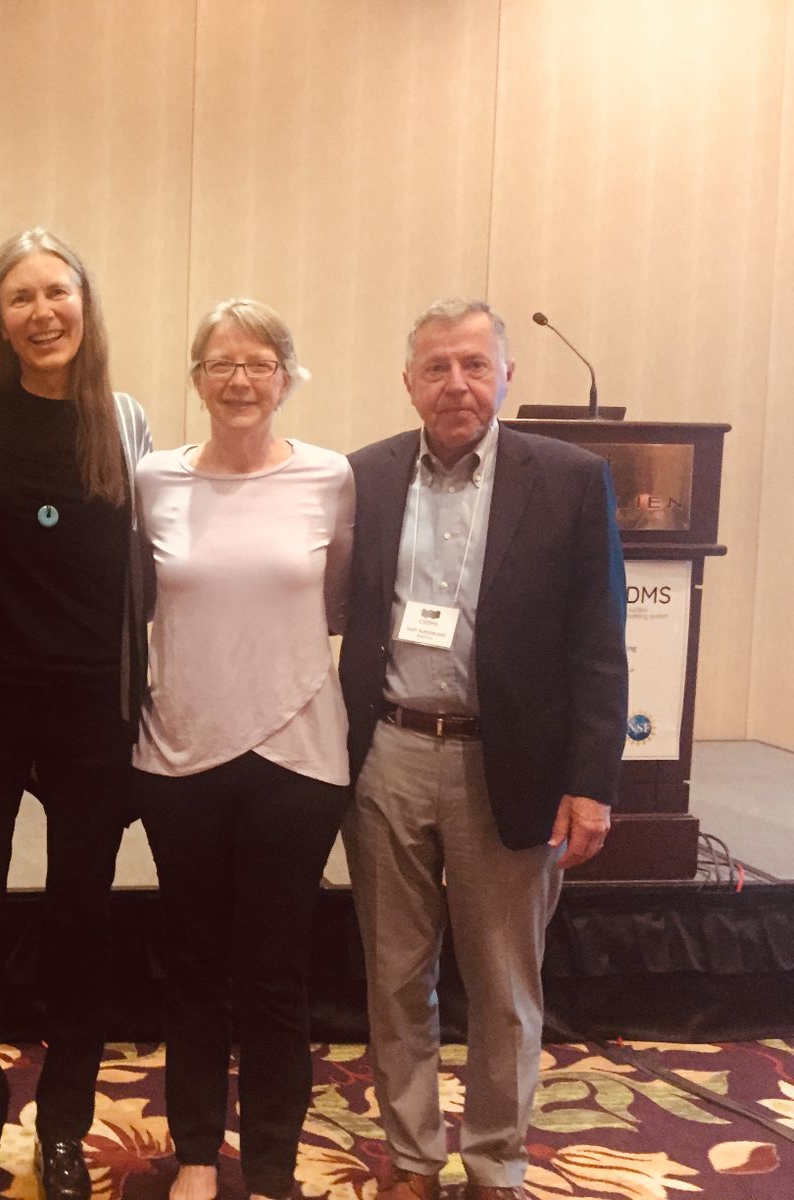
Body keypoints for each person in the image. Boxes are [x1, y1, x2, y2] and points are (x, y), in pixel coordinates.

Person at [337, 300, 627, 1200]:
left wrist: (590, 783)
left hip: (511, 767)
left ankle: (497, 1163)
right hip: (387, 755)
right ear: (408, 382)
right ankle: (413, 1158)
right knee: (395, 978)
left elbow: (599, 642)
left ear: (507, 374)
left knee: (503, 988)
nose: (455, 384)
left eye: (473, 364)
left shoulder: (570, 478)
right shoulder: (366, 474)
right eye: (436, 367)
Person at [0, 228, 153, 1200]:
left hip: (93, 717)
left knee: (81, 924)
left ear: (84, 305)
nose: (43, 312)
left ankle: (63, 1128)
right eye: (21, 297)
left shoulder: (124, 422)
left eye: (58, 292)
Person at [130, 300, 354, 1200]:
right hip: (181, 754)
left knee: (276, 973)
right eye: (221, 364)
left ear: (286, 377)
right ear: (197, 379)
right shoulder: (154, 479)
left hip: (298, 758)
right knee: (192, 964)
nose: (240, 381)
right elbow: (137, 601)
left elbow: (340, 599)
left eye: (259, 364)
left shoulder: (329, 476)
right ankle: (194, 1152)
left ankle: (268, 1165)